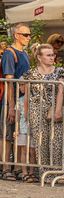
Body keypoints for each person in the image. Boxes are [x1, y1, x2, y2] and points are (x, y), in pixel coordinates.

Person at [23, 44, 64, 180]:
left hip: (54, 107)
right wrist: (26, 113)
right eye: (48, 55)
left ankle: (56, 173)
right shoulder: (31, 73)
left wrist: (58, 110)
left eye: (53, 55)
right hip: (36, 109)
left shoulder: (59, 71)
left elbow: (61, 91)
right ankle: (44, 173)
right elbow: (27, 94)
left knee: (56, 141)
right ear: (39, 57)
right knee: (41, 142)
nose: (52, 57)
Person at [0, 23, 31, 181]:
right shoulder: (9, 53)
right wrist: (11, 106)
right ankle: (6, 168)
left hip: (21, 100)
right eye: (25, 35)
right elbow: (9, 81)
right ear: (16, 35)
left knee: (18, 133)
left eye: (29, 34)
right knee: (6, 134)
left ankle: (18, 167)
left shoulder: (24, 53)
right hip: (9, 100)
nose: (28, 38)